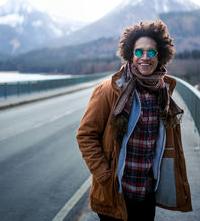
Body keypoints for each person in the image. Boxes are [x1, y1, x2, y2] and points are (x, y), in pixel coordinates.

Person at [76, 20, 192, 221]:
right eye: (139, 52)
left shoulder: (163, 92)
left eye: (151, 52)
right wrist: (105, 177)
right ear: (130, 54)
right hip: (115, 194)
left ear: (160, 56)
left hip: (146, 194)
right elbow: (86, 135)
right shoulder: (109, 91)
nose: (145, 57)